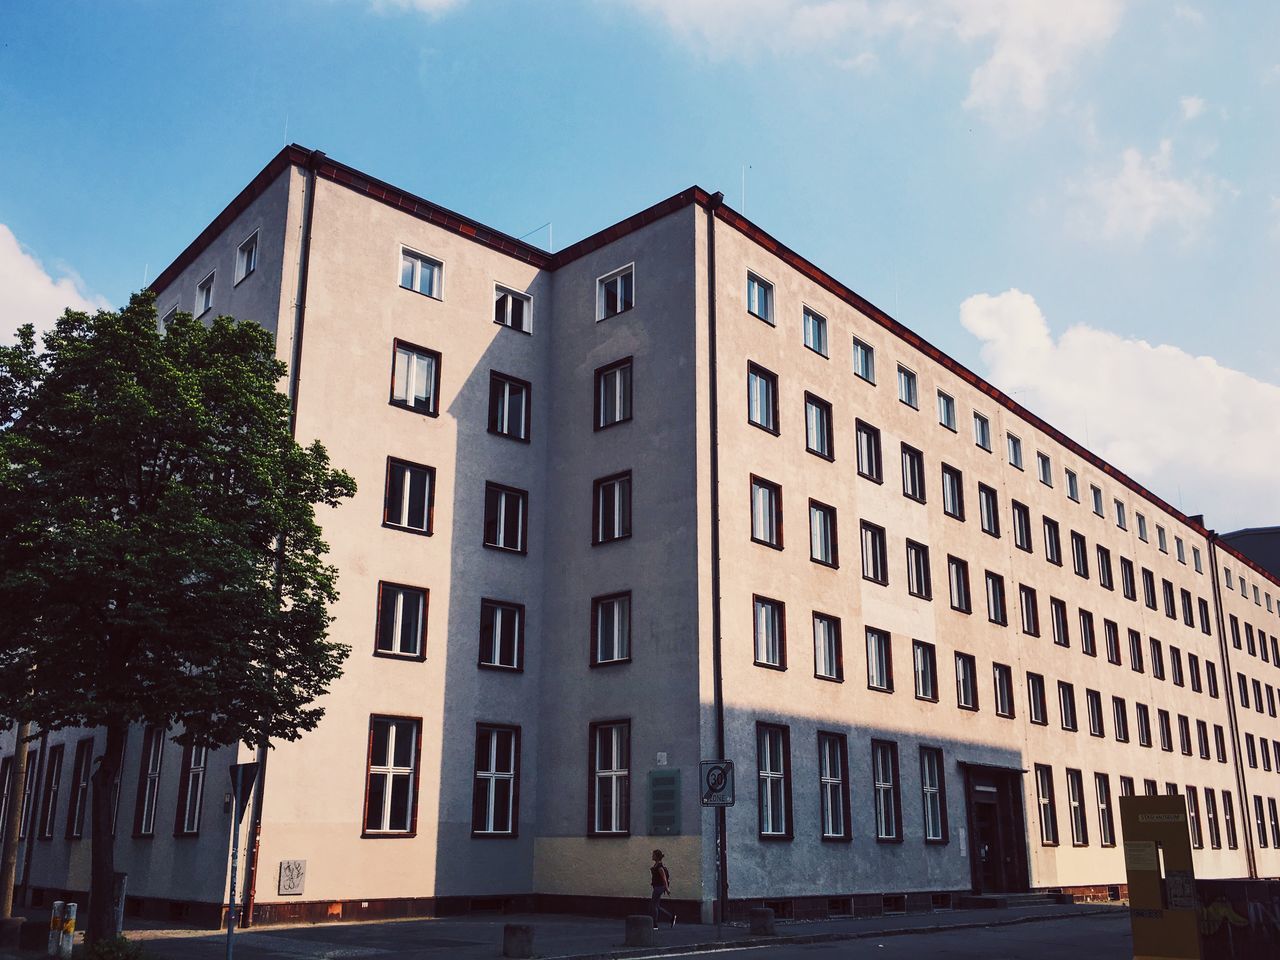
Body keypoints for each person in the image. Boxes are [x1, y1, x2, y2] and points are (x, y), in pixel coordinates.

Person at [650, 849, 675, 929]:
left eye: (653, 855)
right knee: (656, 906)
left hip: (659, 887)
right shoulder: (656, 865)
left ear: (657, 857)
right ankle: (671, 917)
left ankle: (655, 925)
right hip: (657, 887)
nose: (652, 856)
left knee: (653, 906)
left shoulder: (659, 867)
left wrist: (667, 889)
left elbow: (664, 878)